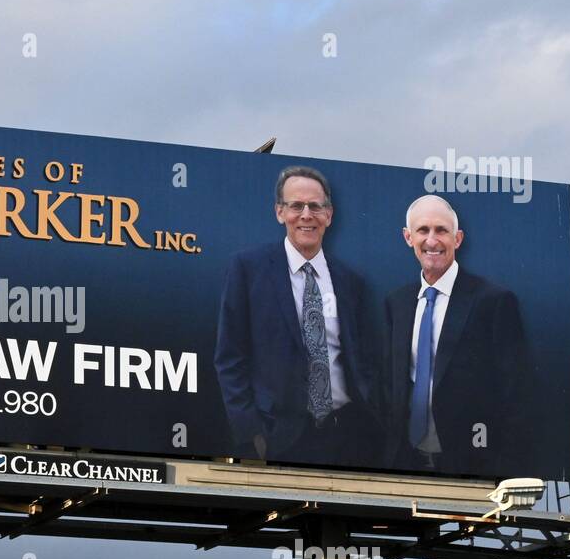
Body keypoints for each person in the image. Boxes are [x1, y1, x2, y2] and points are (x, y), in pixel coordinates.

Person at [215, 165, 380, 466]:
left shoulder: (351, 281)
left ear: (329, 216)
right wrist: (252, 434)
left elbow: (367, 360)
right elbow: (230, 357)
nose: (306, 215)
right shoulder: (248, 269)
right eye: (296, 206)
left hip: (350, 436)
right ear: (280, 212)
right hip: (278, 438)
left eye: (316, 206)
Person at [383, 194, 535, 477]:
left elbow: (518, 392)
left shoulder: (493, 300)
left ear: (458, 238)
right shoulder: (397, 303)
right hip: (405, 464)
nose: (432, 240)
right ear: (407, 237)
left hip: (472, 463)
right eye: (423, 230)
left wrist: (507, 472)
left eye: (441, 230)